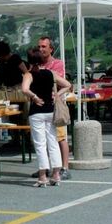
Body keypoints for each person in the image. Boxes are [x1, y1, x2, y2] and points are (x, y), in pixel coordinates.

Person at [22, 46, 72, 187]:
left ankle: (43, 175)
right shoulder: (51, 73)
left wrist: (34, 97)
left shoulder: (29, 74)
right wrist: (56, 95)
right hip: (51, 110)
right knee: (53, 142)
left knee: (40, 144)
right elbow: (67, 85)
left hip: (36, 112)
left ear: (29, 60)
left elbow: (24, 89)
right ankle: (56, 174)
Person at [38, 36, 71, 180]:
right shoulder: (37, 64)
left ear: (51, 48)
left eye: (44, 46)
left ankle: (65, 167)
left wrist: (55, 95)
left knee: (60, 136)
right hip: (41, 104)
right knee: (44, 138)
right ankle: (44, 167)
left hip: (54, 105)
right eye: (39, 46)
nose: (41, 49)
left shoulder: (57, 64)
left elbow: (64, 83)